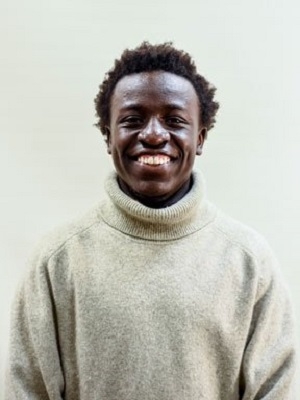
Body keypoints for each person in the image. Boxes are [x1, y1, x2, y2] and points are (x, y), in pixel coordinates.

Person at [5, 42, 297, 399]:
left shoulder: (249, 261)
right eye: (132, 119)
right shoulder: (57, 260)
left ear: (200, 137)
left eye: (175, 120)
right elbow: (25, 389)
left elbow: (277, 390)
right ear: (108, 137)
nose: (154, 135)